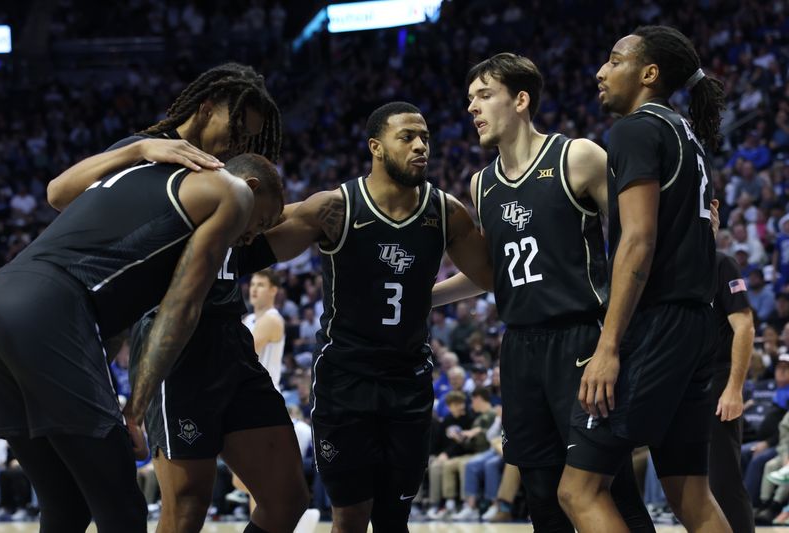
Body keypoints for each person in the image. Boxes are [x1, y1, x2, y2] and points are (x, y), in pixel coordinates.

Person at [46, 63, 308, 533]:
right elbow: (60, 194)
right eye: (234, 130)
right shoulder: (151, 157)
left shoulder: (229, 182)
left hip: (231, 340)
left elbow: (282, 221)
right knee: (186, 507)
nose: (236, 144)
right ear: (206, 108)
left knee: (287, 499)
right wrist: (139, 147)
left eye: (246, 138)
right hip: (174, 345)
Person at [0, 154, 283, 533]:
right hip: (47, 309)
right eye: (260, 221)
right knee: (123, 510)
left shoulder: (133, 198)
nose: (252, 235)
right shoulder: (199, 213)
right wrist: (133, 412)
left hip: (3, 294)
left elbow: (58, 194)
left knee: (66, 507)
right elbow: (178, 309)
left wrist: (138, 146)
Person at [432, 52, 653, 531]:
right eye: (469, 98)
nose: (472, 107)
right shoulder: (480, 184)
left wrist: (615, 344)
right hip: (519, 349)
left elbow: (636, 239)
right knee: (540, 496)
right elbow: (493, 273)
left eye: (484, 95)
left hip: (581, 340)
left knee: (606, 488)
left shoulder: (578, 156)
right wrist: (426, 298)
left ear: (521, 100)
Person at [256, 101, 494, 532]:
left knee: (394, 520)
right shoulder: (335, 208)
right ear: (376, 147)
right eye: (407, 137)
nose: (421, 146)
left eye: (425, 138)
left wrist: (428, 296)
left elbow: (488, 278)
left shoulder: (445, 212)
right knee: (348, 518)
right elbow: (256, 245)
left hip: (408, 382)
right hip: (345, 381)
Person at [557, 25, 731, 533]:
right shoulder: (686, 135)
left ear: (648, 74)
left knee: (578, 489)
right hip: (698, 324)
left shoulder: (636, 129)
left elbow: (637, 240)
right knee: (690, 496)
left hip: (658, 326)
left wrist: (609, 346)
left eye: (614, 60)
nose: (600, 71)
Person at [710, 251, 756, 531]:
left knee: (723, 481)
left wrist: (733, 389)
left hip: (717, 382)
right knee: (689, 486)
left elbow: (745, 327)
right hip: (683, 383)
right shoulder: (669, 262)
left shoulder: (721, 263)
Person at [243, 269, 286, 391]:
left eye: (260, 285)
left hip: (265, 395)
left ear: (273, 290)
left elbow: (244, 355)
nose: (254, 289)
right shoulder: (249, 319)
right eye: (252, 284)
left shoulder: (272, 319)